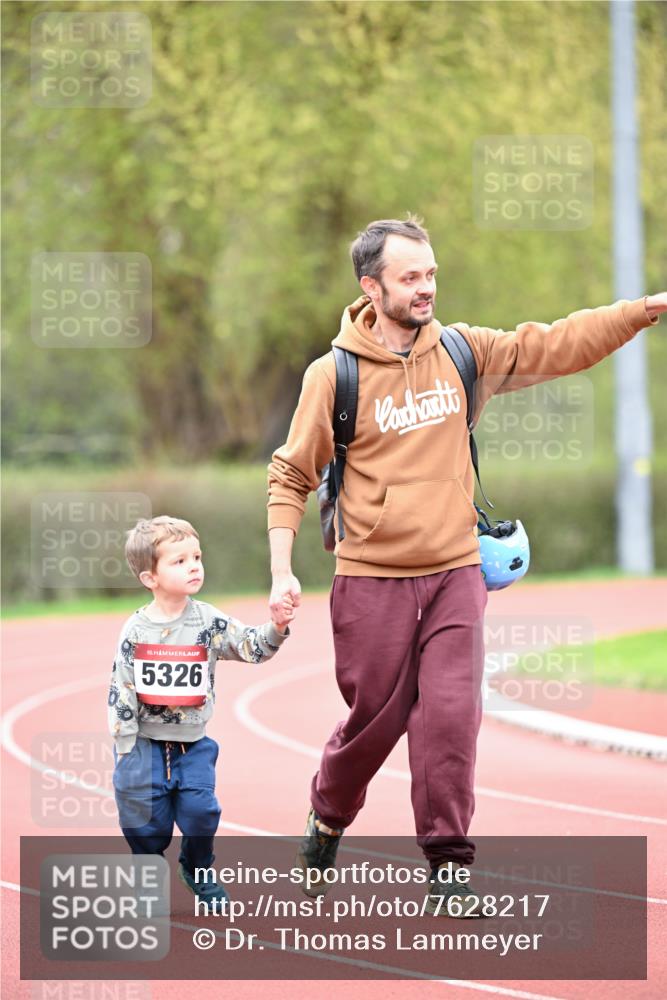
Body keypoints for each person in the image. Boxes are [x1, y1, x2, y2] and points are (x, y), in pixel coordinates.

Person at [267, 215, 666, 916]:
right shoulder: (333, 375)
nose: (426, 289)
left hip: (455, 572)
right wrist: (280, 570)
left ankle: (448, 870)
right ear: (371, 286)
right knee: (373, 727)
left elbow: (553, 344)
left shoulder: (462, 352)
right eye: (410, 277)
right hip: (371, 582)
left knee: (450, 719)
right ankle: (328, 815)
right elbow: (289, 475)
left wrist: (639, 312)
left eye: (431, 274)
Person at [108, 515, 294, 907]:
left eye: (197, 556)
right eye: (179, 561)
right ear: (150, 578)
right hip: (143, 743)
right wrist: (124, 746)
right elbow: (121, 687)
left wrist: (276, 627)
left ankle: (197, 867)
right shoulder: (135, 631)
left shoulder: (208, 621)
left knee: (201, 812)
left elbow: (249, 646)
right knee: (147, 823)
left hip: (192, 744)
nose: (194, 565)